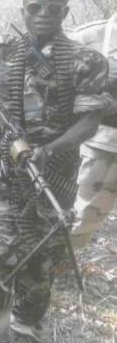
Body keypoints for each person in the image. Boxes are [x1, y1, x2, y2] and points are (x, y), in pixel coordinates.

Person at [0, 0, 109, 343]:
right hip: (6, 170)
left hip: (54, 173)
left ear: (66, 12)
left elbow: (90, 122)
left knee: (41, 255)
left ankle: (26, 327)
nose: (42, 15)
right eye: (34, 7)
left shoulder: (86, 61)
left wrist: (47, 150)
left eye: (52, 8)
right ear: (23, 9)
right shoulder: (2, 51)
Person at [69, 17, 117, 249]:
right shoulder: (89, 36)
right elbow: (53, 80)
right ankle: (59, 260)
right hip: (99, 141)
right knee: (86, 210)